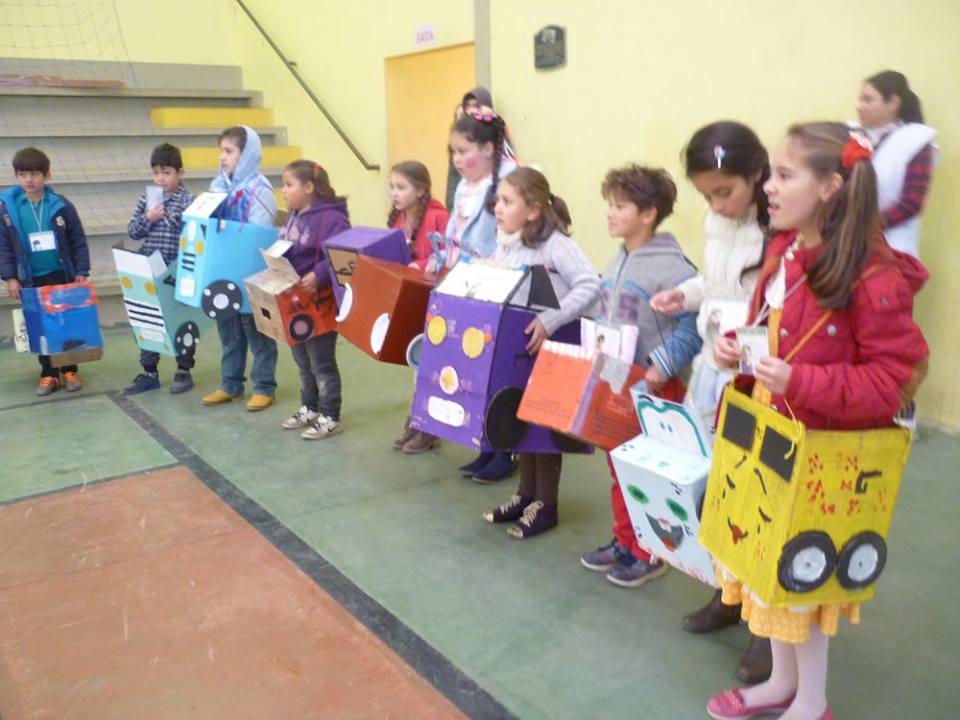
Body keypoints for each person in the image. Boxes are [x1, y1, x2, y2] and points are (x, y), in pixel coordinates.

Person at [706, 122, 929, 720]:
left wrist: (801, 382)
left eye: (785, 175)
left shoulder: (872, 277)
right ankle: (781, 684)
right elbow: (774, 331)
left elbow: (893, 380)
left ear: (830, 186)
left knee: (804, 583)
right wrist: (736, 346)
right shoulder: (784, 250)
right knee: (767, 572)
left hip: (822, 453)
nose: (768, 186)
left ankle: (811, 701)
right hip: (772, 436)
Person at [650, 121, 773, 684]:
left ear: (757, 174)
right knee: (716, 491)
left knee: (757, 499)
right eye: (707, 195)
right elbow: (719, 285)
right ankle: (729, 594)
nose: (717, 205)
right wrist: (686, 294)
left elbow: (774, 307)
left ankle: (767, 628)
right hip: (711, 370)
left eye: (725, 192)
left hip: (755, 379)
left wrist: (746, 346)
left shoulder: (778, 229)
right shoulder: (718, 221)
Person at [580, 164, 701, 587]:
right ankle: (625, 541)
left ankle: (652, 552)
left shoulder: (672, 266)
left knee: (650, 473)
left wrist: (660, 368)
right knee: (620, 466)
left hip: (657, 387)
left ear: (648, 214)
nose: (609, 213)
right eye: (609, 205)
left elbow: (695, 325)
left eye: (620, 206)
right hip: (619, 380)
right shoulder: (619, 257)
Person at [482, 167, 600, 538]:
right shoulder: (506, 242)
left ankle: (546, 505)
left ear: (533, 210)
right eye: (498, 200)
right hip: (522, 346)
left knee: (545, 424)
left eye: (507, 201)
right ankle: (525, 495)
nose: (498, 207)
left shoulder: (555, 244)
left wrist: (551, 320)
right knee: (522, 417)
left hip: (555, 344)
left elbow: (590, 285)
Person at [444, 110, 519, 483]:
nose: (457, 160)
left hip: (496, 289)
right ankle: (485, 444)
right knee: (472, 368)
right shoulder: (464, 186)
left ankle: (505, 450)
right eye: (453, 152)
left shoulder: (507, 184)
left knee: (496, 371)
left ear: (489, 149)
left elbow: (511, 239)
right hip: (465, 286)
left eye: (464, 151)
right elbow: (455, 231)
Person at [200, 125, 279, 411]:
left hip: (251, 273)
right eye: (221, 151)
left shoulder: (260, 190)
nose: (223, 157)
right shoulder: (218, 186)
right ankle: (230, 383)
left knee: (257, 331)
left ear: (247, 155)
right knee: (229, 331)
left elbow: (259, 235)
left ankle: (264, 386)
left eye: (229, 151)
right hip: (223, 272)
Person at [0, 147, 90, 395]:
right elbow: (4, 246)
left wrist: (81, 270)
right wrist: (10, 277)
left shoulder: (61, 205)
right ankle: (49, 374)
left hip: (61, 275)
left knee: (65, 323)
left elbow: (78, 239)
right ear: (16, 176)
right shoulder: (8, 209)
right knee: (40, 327)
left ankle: (69, 370)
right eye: (23, 174)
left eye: (35, 174)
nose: (29, 180)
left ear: (47, 175)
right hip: (30, 279)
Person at [277, 161, 350, 440]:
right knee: (302, 360)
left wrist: (319, 273)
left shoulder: (332, 218)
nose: (283, 190)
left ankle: (330, 415)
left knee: (322, 362)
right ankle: (310, 406)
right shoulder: (294, 215)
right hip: (295, 302)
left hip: (320, 303)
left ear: (308, 187)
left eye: (289, 184)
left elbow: (343, 255)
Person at [123, 143, 197, 395]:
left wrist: (167, 218)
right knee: (147, 318)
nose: (161, 178)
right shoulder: (147, 199)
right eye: (156, 173)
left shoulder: (189, 201)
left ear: (180, 173)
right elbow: (133, 231)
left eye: (166, 173)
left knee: (181, 320)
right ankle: (149, 371)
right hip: (149, 270)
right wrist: (149, 218)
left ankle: (184, 370)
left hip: (178, 271)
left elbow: (193, 233)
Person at [387, 160, 450, 454]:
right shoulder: (399, 221)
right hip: (415, 302)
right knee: (419, 365)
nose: (394, 193)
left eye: (401, 187)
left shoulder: (439, 218)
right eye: (392, 187)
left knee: (432, 367)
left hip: (440, 302)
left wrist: (421, 264)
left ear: (422, 190)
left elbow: (448, 254)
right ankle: (418, 421)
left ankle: (429, 426)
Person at [855, 70, 936, 258]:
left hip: (893, 247)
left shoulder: (915, 140)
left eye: (867, 100)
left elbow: (912, 203)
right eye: (860, 99)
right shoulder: (855, 136)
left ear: (893, 103)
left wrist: (865, 227)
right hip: (852, 245)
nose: (859, 106)